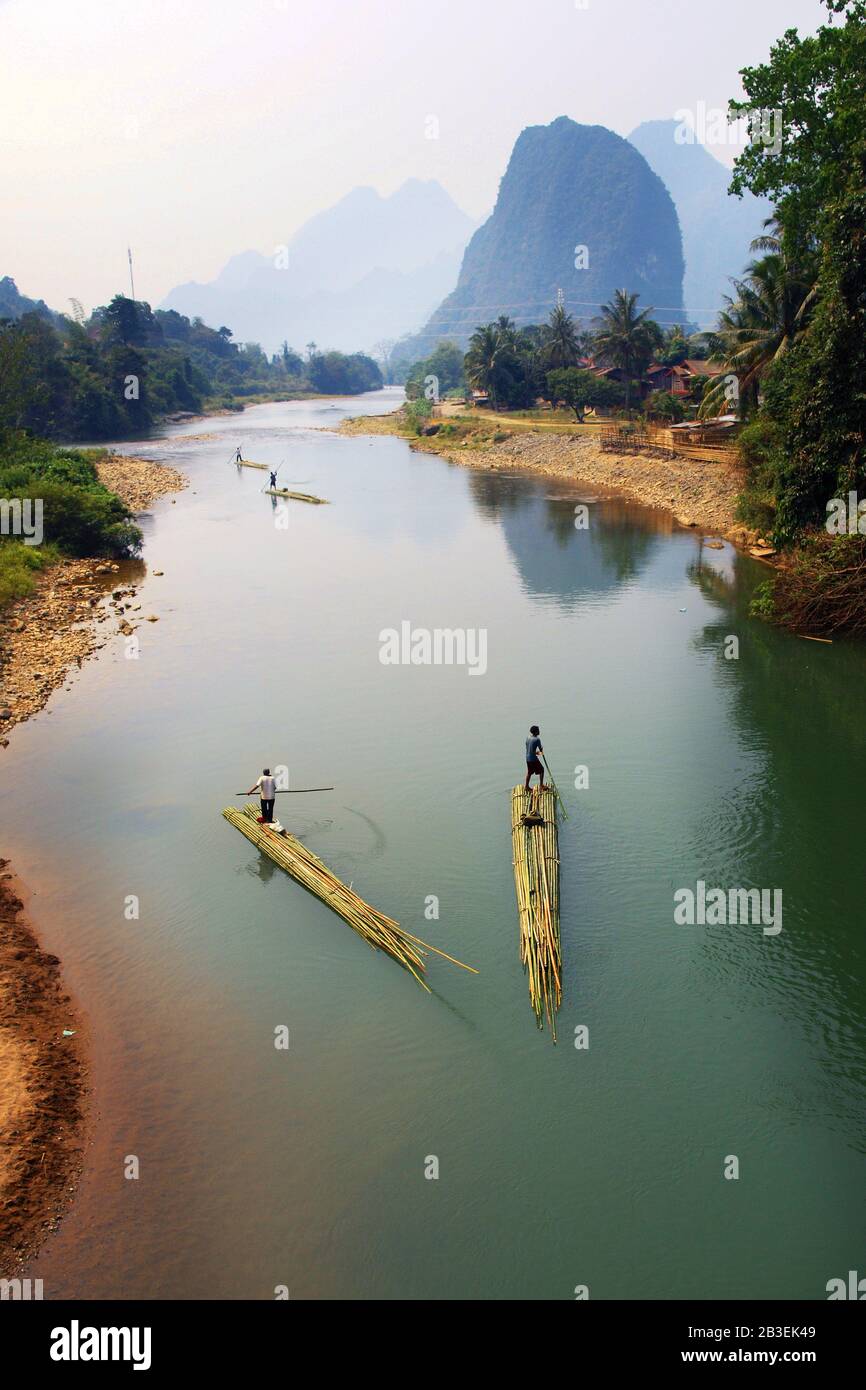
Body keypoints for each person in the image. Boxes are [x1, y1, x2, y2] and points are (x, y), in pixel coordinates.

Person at [525, 725, 545, 790]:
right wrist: (541, 751)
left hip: (528, 758)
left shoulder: (528, 737)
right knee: (542, 770)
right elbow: (540, 749)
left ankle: (526, 786)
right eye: (538, 730)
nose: (539, 731)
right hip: (533, 759)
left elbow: (528, 747)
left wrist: (536, 753)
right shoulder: (537, 739)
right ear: (536, 732)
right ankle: (541, 786)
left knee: (529, 772)